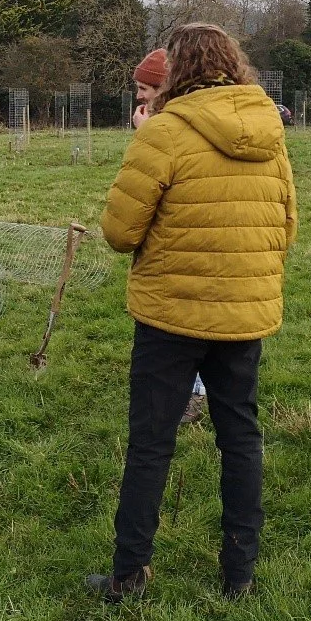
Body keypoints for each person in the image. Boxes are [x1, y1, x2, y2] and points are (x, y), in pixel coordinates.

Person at [88, 23, 297, 601]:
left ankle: (130, 575)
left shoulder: (163, 134)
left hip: (169, 316)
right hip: (244, 314)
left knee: (151, 443)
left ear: (175, 69)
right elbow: (287, 225)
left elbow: (119, 232)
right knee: (242, 440)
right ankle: (240, 576)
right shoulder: (270, 132)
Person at [131, 47, 206, 426]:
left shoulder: (185, 127)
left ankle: (192, 396)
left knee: (191, 323)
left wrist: (148, 139)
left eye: (147, 88)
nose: (141, 96)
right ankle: (189, 392)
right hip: (178, 245)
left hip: (191, 243)